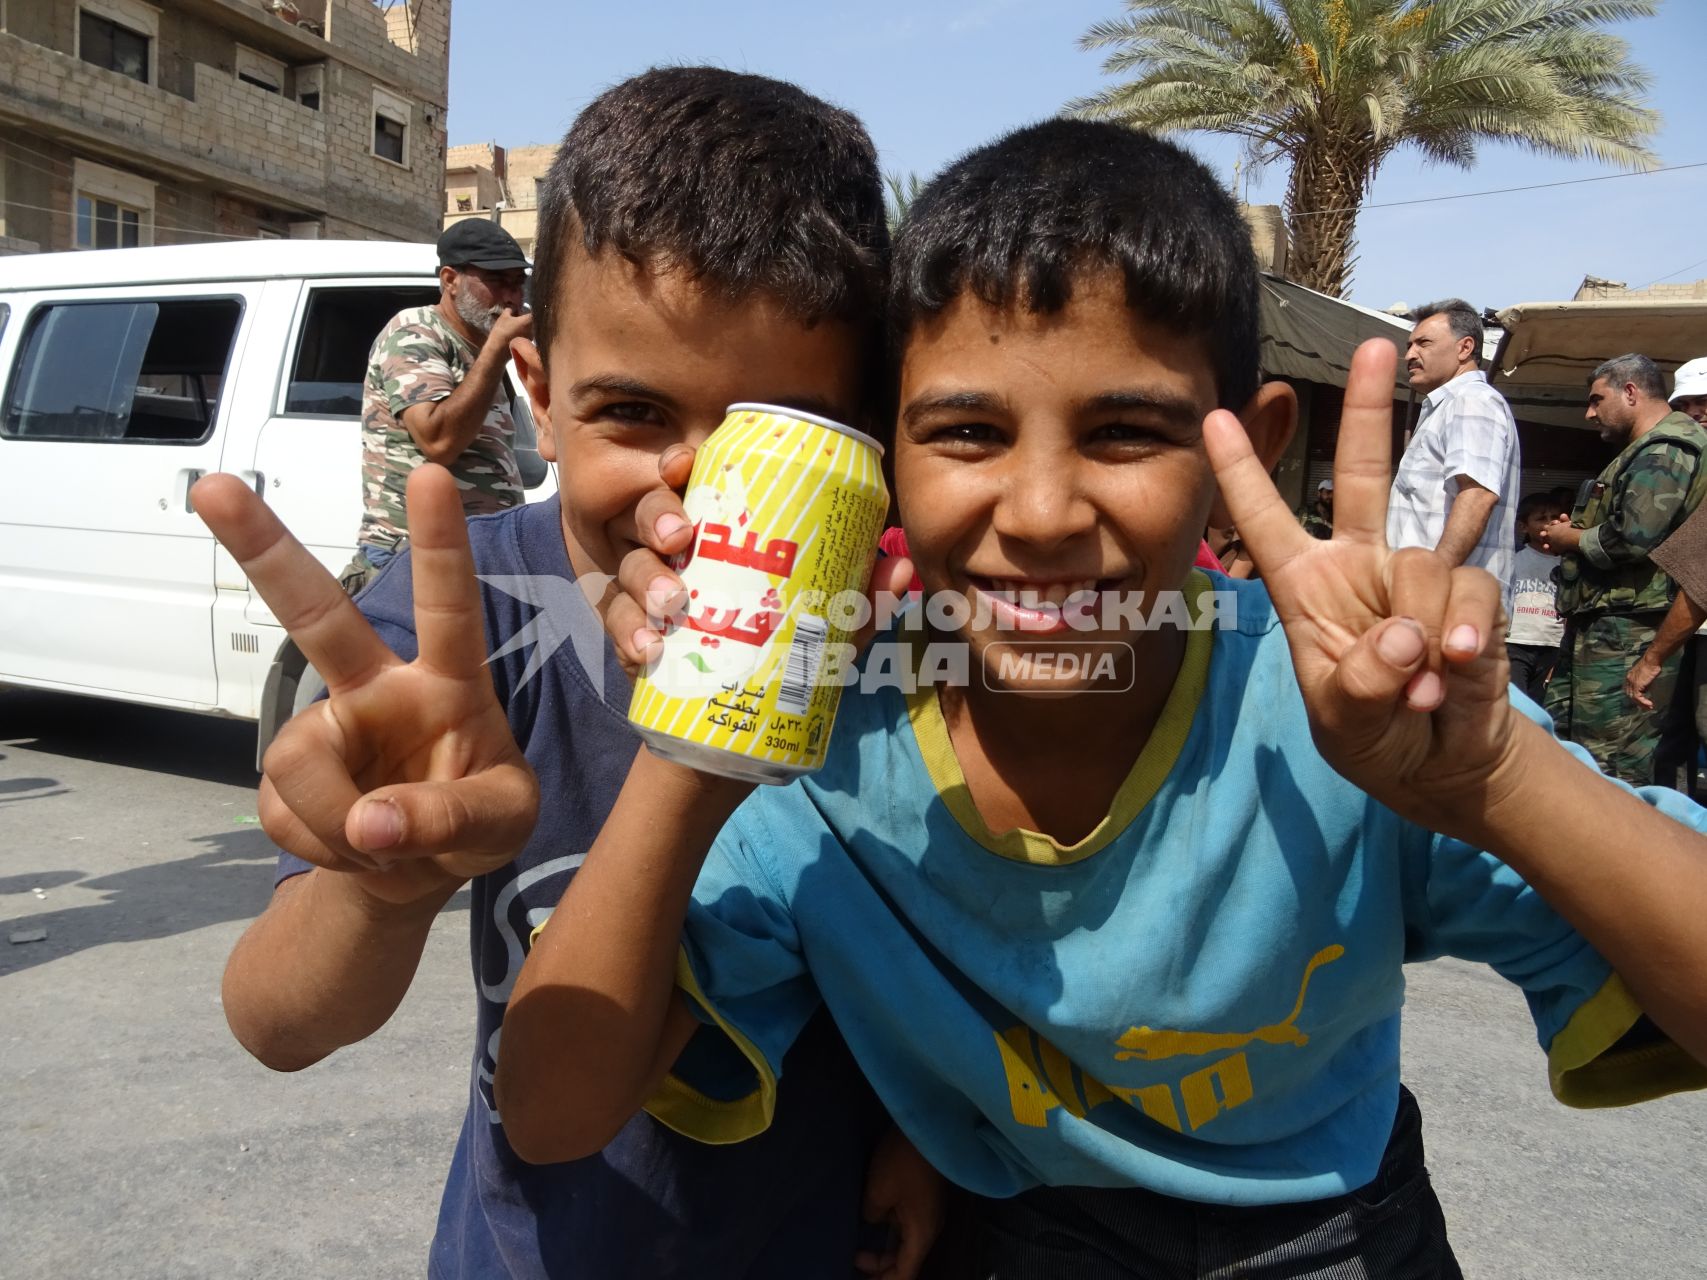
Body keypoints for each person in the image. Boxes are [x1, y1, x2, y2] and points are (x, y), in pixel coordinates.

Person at [495, 123, 1707, 1278]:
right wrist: (701, 737)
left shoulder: (1347, 707)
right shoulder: (833, 760)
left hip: (1339, 1226)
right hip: (1027, 1233)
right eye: (965, 431)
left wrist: (1495, 781)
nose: (1039, 514)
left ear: (1254, 444)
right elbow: (552, 1110)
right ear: (881, 463)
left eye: (1126, 431)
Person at [194, 68, 942, 1280]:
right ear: (539, 395)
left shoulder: (904, 632)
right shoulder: (467, 625)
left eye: (778, 433)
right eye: (634, 410)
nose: (700, 491)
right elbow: (276, 1022)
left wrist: (925, 1137)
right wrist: (378, 888)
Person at [341, 220, 534, 595]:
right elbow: (439, 440)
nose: (511, 297)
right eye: (497, 282)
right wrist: (497, 350)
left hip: (474, 558)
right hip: (413, 559)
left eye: (517, 283)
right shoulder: (415, 331)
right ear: (450, 280)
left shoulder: (481, 350)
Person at [1541, 354, 1707, 785]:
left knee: (1610, 769)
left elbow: (1634, 536)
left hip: (1629, 634)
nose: (1589, 412)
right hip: (1605, 628)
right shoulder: (1643, 450)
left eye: (1597, 399)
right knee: (1572, 754)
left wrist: (1569, 539)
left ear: (1630, 392)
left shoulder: (1667, 449)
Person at [1388, 298, 1521, 605]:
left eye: (1424, 343)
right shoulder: (1447, 406)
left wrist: (1430, 584)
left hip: (1448, 605)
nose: (1409, 355)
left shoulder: (1470, 402)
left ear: (1464, 348)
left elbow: (1476, 496)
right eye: (1409, 345)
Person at [1627, 356, 1707, 795]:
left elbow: (1700, 576)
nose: (1697, 412)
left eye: (1706, 400)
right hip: (1682, 628)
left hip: (1688, 624)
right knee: (1673, 740)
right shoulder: (1684, 465)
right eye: (1688, 403)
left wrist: (1652, 658)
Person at [1506, 492, 1567, 704]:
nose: (1549, 523)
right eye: (1541, 518)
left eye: (1555, 517)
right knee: (1515, 704)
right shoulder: (1512, 560)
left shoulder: (1568, 563)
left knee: (1540, 706)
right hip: (1516, 642)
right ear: (1523, 527)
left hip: (1552, 644)